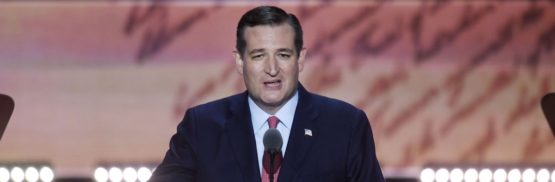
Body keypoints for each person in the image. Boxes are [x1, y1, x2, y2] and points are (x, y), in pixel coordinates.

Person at [150, 6, 384, 182]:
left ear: (300, 59)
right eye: (259, 55)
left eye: (283, 55)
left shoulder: (346, 126)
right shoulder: (202, 127)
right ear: (240, 61)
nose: (272, 69)